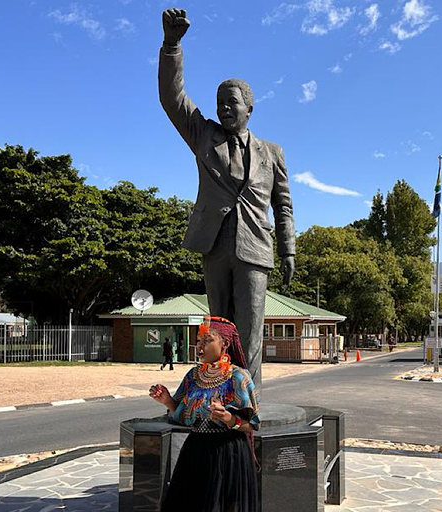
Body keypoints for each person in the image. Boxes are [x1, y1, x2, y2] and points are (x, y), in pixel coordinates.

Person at [159, 8, 296, 391]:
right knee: (218, 331)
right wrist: (172, 45)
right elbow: (172, 98)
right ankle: (216, 396)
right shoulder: (204, 135)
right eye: (219, 102)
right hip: (215, 246)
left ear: (249, 109)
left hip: (255, 248)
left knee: (250, 332)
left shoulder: (272, 152)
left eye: (231, 102)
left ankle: (247, 401)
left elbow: (283, 205)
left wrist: (288, 251)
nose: (223, 108)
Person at [149, 316, 259, 512]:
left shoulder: (238, 377)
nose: (200, 346)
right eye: (199, 340)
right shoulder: (193, 376)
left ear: (225, 343)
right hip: (196, 449)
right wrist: (167, 400)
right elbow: (183, 415)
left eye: (207, 340)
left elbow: (251, 424)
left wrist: (229, 419)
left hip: (228, 453)